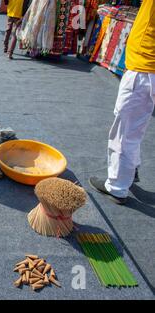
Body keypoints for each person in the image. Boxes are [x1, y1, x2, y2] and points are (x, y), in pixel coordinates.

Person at [89, 0, 155, 205]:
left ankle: (117, 187)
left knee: (124, 133)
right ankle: (130, 169)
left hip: (144, 70)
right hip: (145, 68)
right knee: (134, 128)